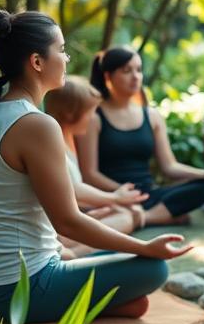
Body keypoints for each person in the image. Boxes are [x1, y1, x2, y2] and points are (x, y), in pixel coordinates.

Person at [0, 11, 191, 324]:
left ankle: (82, 301)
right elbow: (68, 222)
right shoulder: (36, 124)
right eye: (61, 50)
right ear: (37, 62)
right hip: (15, 293)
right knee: (153, 267)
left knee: (130, 290)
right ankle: (75, 301)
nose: (67, 56)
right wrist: (145, 247)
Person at [78, 47, 204, 226]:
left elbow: (169, 166)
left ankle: (143, 218)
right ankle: (159, 216)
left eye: (139, 70)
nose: (135, 76)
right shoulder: (94, 118)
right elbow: (89, 174)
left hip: (148, 194)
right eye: (127, 71)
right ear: (108, 76)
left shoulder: (152, 116)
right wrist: (119, 193)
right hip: (112, 196)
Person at [44, 76, 148, 249]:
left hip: (67, 220)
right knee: (125, 217)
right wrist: (113, 198)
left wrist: (110, 203)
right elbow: (71, 190)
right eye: (90, 112)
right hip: (56, 230)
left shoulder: (67, 140)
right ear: (70, 112)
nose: (93, 117)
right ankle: (72, 256)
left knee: (126, 213)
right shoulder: (52, 144)